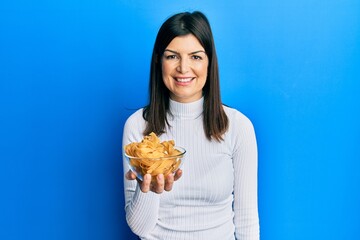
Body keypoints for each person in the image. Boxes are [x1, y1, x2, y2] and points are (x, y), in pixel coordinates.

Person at [122, 11, 259, 240]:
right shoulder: (138, 126)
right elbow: (140, 228)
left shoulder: (238, 127)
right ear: (159, 60)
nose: (183, 68)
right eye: (172, 56)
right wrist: (150, 190)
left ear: (209, 62)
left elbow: (247, 221)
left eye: (195, 57)